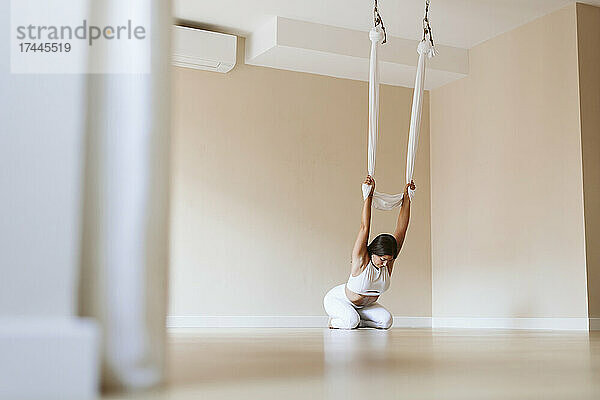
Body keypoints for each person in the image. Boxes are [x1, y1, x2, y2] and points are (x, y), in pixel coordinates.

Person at [323, 175, 415, 329]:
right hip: (340, 300)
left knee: (386, 322)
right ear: (373, 252)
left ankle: (356, 321)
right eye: (382, 259)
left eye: (389, 259)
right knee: (351, 322)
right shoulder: (361, 259)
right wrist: (369, 195)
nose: (386, 263)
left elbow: (401, 230)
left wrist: (407, 198)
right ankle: (336, 321)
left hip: (365, 308)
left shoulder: (388, 262)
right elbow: (364, 227)